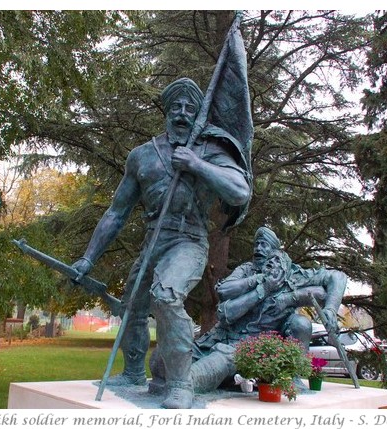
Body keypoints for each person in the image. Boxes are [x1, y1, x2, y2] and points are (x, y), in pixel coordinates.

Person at [71, 77, 252, 409]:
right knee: (131, 310)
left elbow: (239, 190)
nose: (182, 114)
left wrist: (197, 165)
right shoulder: (142, 156)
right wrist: (87, 259)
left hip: (189, 240)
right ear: (167, 112)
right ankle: (133, 374)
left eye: (190, 108)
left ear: (198, 115)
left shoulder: (209, 150)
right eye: (176, 107)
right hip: (153, 238)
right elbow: (116, 212)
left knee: (166, 296)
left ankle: (181, 384)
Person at [149, 226, 347, 393]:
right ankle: (212, 381)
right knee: (158, 362)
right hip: (220, 337)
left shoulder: (291, 274)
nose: (258, 249)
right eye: (256, 245)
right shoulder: (247, 270)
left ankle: (186, 386)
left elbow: (336, 277)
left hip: (248, 348)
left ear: (276, 252)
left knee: (299, 324)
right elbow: (225, 292)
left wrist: (329, 309)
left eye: (264, 245)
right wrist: (261, 283)